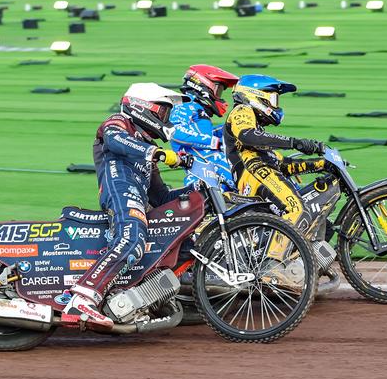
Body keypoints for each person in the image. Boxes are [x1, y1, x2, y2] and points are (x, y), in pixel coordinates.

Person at [62, 83, 194, 328]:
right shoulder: (118, 122)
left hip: (135, 197)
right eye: (163, 112)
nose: (166, 119)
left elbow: (162, 198)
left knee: (179, 232)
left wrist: (201, 192)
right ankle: (82, 298)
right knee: (132, 238)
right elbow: (116, 141)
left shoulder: (144, 150)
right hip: (120, 191)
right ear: (143, 107)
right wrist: (158, 153)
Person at [224, 74, 330, 236]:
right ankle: (277, 258)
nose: (276, 106)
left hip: (258, 174)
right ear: (255, 95)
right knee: (298, 211)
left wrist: (321, 164)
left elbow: (282, 164)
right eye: (274, 99)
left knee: (315, 220)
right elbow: (247, 135)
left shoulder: (257, 132)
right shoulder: (242, 111)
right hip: (255, 173)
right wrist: (294, 143)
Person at [169, 64, 239, 191]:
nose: (220, 97)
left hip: (213, 165)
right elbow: (176, 133)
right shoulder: (185, 105)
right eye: (218, 90)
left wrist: (233, 129)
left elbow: (205, 134)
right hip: (202, 168)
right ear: (202, 86)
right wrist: (215, 142)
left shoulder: (198, 110)